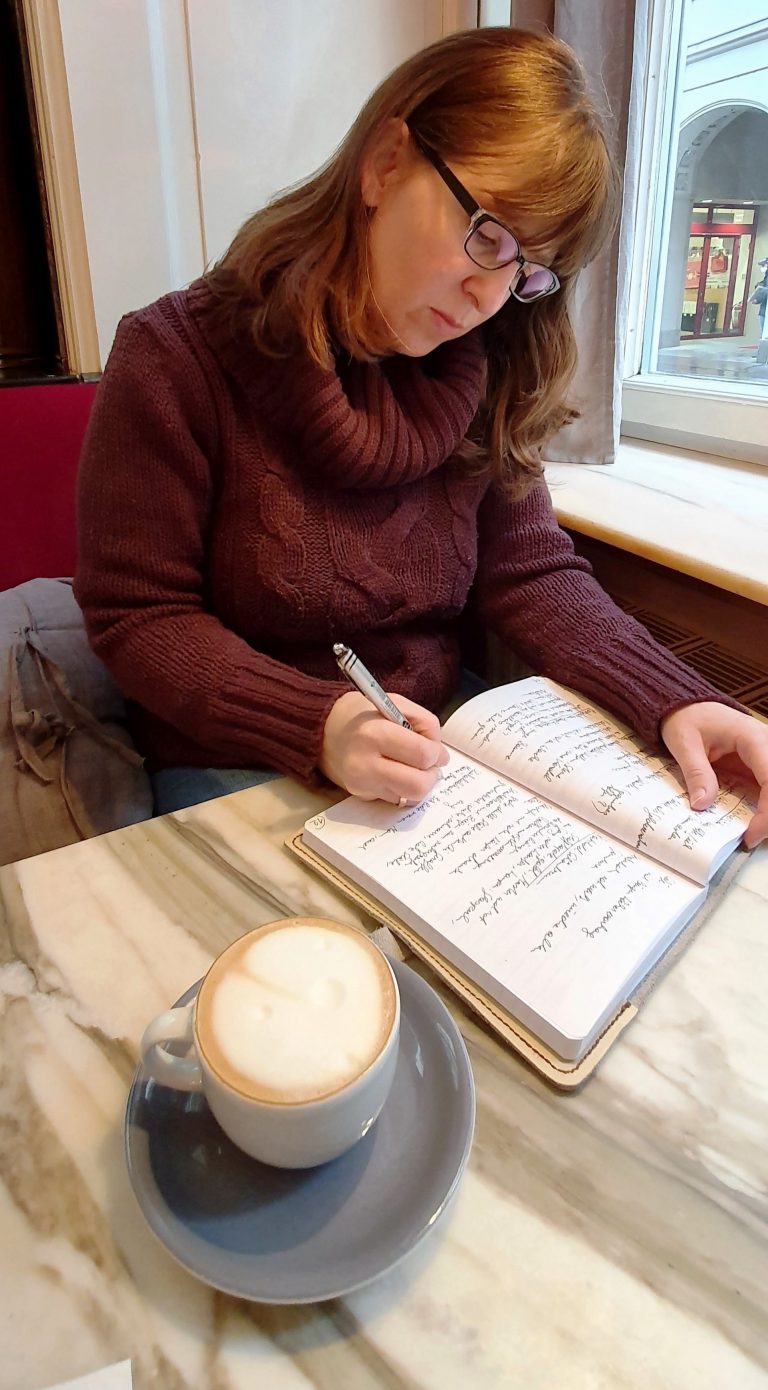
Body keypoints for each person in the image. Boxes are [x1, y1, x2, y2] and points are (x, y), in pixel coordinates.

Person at [74, 27, 768, 847]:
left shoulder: (488, 370)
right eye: (487, 234)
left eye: (528, 271)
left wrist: (678, 696)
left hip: (440, 738)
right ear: (384, 164)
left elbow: (532, 572)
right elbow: (139, 615)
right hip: (235, 749)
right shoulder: (174, 357)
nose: (490, 293)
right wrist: (316, 723)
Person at [749, 257, 768, 336]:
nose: (762, 267)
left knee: (764, 334)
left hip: (765, 310)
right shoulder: (766, 276)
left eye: (763, 265)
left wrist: (757, 299)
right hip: (764, 308)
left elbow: (765, 291)